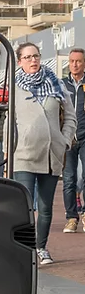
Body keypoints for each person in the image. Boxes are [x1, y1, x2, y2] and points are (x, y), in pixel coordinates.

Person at [14, 42, 75, 265]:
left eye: (36, 56)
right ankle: (23, 248)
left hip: (51, 154)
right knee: (24, 205)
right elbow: (9, 120)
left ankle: (41, 247)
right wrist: (7, 152)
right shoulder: (14, 87)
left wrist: (64, 140)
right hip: (23, 155)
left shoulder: (56, 84)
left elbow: (70, 116)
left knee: (46, 206)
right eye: (28, 57)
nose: (33, 60)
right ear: (19, 61)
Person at [62, 49, 85, 232]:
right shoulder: (62, 85)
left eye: (78, 61)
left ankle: (84, 212)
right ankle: (71, 217)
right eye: (71, 61)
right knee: (69, 179)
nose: (75, 64)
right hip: (68, 138)